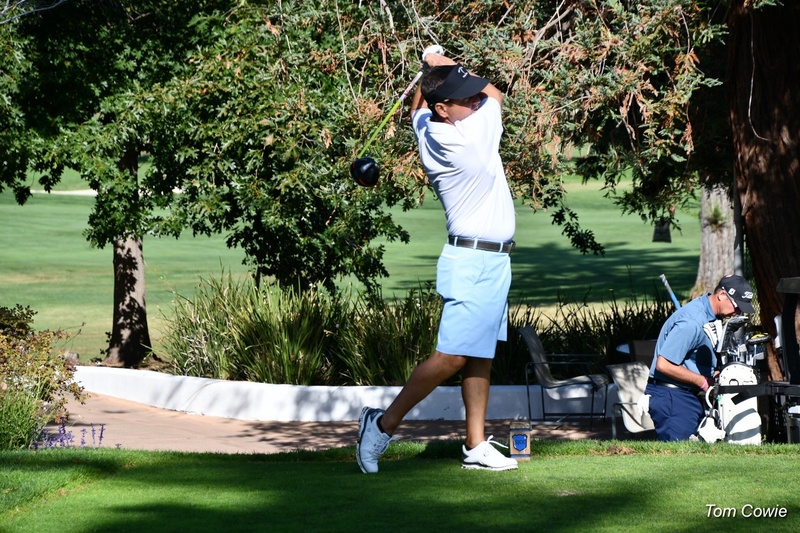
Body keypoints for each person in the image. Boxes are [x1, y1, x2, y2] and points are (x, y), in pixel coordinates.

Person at [356, 51, 518, 473]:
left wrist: (432, 76)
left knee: (479, 354)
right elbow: (496, 94)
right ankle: (381, 425)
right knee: (452, 357)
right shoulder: (472, 139)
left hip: (490, 261)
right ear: (444, 109)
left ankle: (475, 445)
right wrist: (439, 59)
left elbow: (417, 110)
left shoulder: (429, 126)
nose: (476, 101)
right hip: (473, 262)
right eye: (466, 98)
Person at [646, 274, 755, 441]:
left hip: (686, 396)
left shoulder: (710, 316)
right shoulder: (692, 322)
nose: (738, 312)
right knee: (679, 455)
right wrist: (703, 382)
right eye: (737, 306)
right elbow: (664, 364)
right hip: (672, 398)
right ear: (722, 295)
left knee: (697, 453)